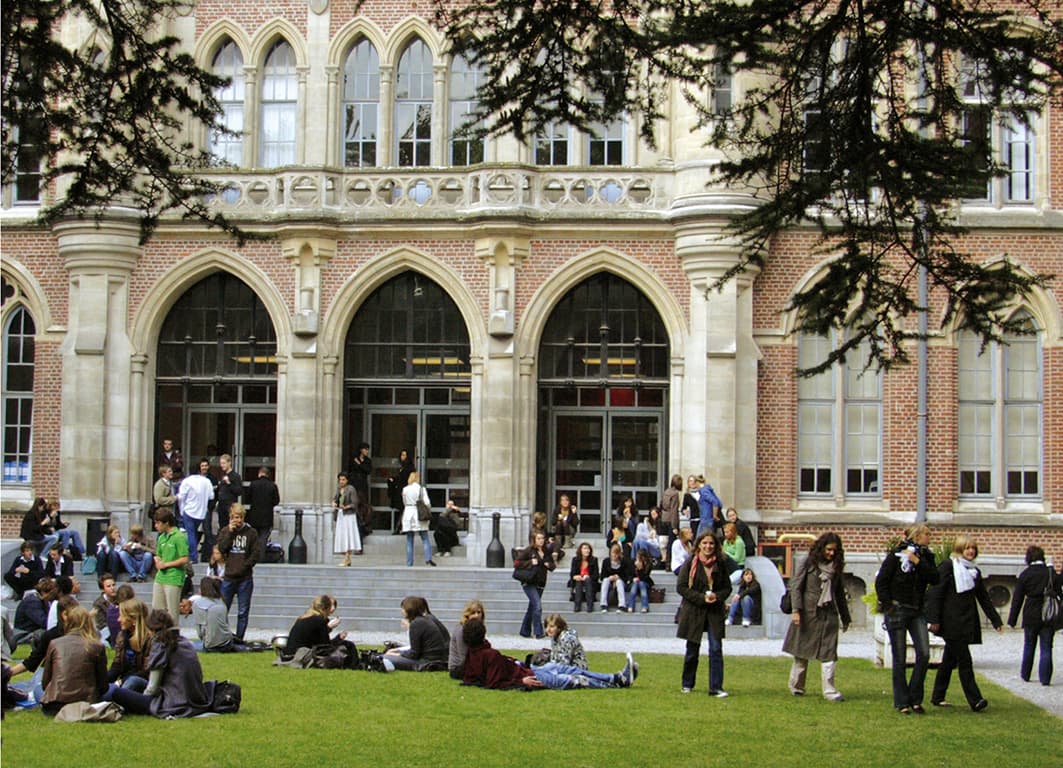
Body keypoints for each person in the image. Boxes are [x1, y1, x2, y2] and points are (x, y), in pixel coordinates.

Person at [926, 536, 1003, 711]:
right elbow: (936, 593)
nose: (970, 551)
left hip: (966, 620)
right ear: (960, 550)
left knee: (949, 661)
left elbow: (983, 598)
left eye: (973, 548)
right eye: (967, 548)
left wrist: (995, 620)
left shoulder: (974, 571)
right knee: (965, 661)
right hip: (951, 622)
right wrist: (934, 619)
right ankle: (975, 700)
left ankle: (937, 696)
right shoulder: (948, 566)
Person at [461, 618, 637, 690]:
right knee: (574, 680)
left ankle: (616, 677)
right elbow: (493, 682)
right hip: (530, 676)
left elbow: (471, 677)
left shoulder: (475, 653)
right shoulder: (487, 654)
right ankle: (616, 684)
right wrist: (519, 682)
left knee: (570, 670)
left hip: (528, 669)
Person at [874, 523, 940, 714]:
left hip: (917, 610)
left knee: (924, 653)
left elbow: (934, 578)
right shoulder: (896, 556)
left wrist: (918, 562)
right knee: (900, 657)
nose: (930, 538)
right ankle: (902, 701)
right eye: (927, 535)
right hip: (898, 609)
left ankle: (915, 697)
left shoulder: (926, 557)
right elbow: (882, 582)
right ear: (917, 536)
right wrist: (888, 605)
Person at [105, 609, 212, 718]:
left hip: (173, 703)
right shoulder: (185, 642)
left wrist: (140, 701)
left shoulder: (161, 644)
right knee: (134, 681)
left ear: (152, 629)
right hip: (193, 699)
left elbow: (152, 688)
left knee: (117, 693)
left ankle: (99, 702)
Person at [783, 532, 851, 701]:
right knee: (801, 651)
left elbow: (839, 593)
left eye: (835, 550)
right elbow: (796, 587)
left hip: (828, 614)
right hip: (808, 612)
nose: (831, 553)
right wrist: (796, 611)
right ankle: (797, 686)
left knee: (829, 652)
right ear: (821, 548)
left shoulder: (836, 566)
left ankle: (829, 691)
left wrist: (845, 617)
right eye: (829, 550)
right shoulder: (807, 561)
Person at [676, 532, 732, 696]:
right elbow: (681, 587)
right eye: (705, 543)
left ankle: (716, 687)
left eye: (711, 544)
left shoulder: (720, 564)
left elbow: (727, 588)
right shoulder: (690, 563)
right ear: (699, 544)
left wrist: (717, 597)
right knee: (692, 649)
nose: (708, 547)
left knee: (716, 648)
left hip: (714, 611)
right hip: (694, 610)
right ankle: (687, 683)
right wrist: (701, 598)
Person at [1007, 545, 1062, 686]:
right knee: (1046, 647)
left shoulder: (1025, 574)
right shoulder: (1050, 573)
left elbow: (1017, 599)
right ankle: (1045, 678)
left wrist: (1012, 620)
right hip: (1048, 613)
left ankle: (1025, 674)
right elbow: (1059, 592)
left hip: (1031, 612)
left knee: (1029, 645)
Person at [40, 604, 107, 716]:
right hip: (86, 701)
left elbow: (45, 681)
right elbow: (103, 684)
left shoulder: (55, 643)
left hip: (55, 703)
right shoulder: (96, 646)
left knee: (37, 689)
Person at [216, 503, 258, 642]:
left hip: (245, 577)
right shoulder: (224, 531)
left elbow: (255, 553)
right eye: (235, 517)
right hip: (229, 576)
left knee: (243, 611)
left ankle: (239, 637)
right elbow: (222, 549)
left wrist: (245, 566)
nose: (238, 520)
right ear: (230, 517)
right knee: (223, 609)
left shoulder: (251, 533)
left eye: (240, 517)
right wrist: (230, 532)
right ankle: (223, 636)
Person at [383, 596, 450, 671]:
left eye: (403, 608)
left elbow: (414, 654)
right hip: (435, 659)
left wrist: (398, 654)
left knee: (384, 658)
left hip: (427, 661)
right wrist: (399, 652)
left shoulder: (416, 623)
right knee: (389, 655)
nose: (401, 611)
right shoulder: (424, 620)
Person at [282, 595, 351, 661]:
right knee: (348, 645)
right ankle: (357, 666)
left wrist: (334, 634)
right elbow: (325, 646)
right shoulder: (319, 620)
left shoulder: (304, 618)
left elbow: (316, 639)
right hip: (302, 656)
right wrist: (337, 639)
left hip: (290, 655)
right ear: (326, 608)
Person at [152, 509, 190, 621]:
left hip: (174, 577)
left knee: (172, 612)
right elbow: (158, 554)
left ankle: (173, 636)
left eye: (158, 523)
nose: (156, 526)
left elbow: (184, 558)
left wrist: (167, 564)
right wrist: (157, 561)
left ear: (166, 523)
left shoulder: (179, 537)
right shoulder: (161, 537)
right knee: (157, 609)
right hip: (160, 577)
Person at [516, 530, 555, 638]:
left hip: (540, 582)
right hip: (528, 581)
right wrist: (530, 563)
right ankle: (538, 632)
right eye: (539, 538)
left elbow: (553, 565)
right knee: (537, 606)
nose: (541, 541)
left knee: (532, 607)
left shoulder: (546, 551)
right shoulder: (529, 551)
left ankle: (525, 631)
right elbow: (517, 563)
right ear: (534, 539)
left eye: (542, 538)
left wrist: (548, 565)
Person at [108, 599, 152, 691]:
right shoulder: (122, 636)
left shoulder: (150, 639)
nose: (118, 620)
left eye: (122, 616)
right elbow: (117, 664)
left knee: (132, 681)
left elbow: (147, 671)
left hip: (143, 683)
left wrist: (121, 682)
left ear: (133, 620)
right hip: (124, 682)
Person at [176, 461, 213, 563]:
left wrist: (181, 509)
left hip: (189, 511)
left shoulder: (187, 481)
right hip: (202, 512)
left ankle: (193, 557)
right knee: (196, 533)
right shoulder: (206, 481)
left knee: (191, 534)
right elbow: (211, 496)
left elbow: (181, 496)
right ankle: (195, 554)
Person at [190, 577, 238, 652]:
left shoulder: (198, 603)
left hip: (210, 645)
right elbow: (226, 623)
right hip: (227, 642)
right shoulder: (221, 601)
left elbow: (199, 630)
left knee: (188, 645)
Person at [401, 470, 435, 567]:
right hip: (419, 514)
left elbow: (404, 502)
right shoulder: (421, 489)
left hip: (408, 513)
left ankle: (409, 562)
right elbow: (427, 503)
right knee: (425, 538)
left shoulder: (405, 489)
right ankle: (428, 559)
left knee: (409, 539)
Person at [12, 578, 57, 649]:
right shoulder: (33, 601)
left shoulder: (40, 600)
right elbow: (44, 622)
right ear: (45, 592)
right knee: (47, 634)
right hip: (22, 635)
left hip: (30, 631)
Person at [246, 466, 280, 559]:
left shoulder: (253, 484)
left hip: (254, 515)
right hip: (267, 515)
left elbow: (247, 498)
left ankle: (253, 556)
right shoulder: (272, 485)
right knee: (263, 537)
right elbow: (276, 501)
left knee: (254, 537)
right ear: (268, 475)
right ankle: (261, 557)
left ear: (259, 474)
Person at [449, 600, 485, 680]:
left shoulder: (478, 628)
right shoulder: (461, 630)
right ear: (467, 615)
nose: (476, 615)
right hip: (458, 668)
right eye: (473, 613)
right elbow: (463, 657)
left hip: (473, 662)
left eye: (479, 612)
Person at [333, 471, 361, 566]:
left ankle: (347, 557)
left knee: (348, 535)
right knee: (342, 535)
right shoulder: (338, 489)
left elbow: (355, 502)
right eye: (340, 479)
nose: (341, 481)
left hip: (348, 515)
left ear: (347, 480)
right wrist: (334, 503)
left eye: (343, 479)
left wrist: (346, 507)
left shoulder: (351, 489)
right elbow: (336, 499)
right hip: (341, 514)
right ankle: (347, 557)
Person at [599, 543, 633, 613]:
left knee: (619, 582)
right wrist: (610, 578)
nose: (614, 555)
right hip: (609, 582)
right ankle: (603, 604)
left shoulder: (623, 562)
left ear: (619, 554)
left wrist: (618, 577)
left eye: (616, 553)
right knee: (605, 580)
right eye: (613, 553)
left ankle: (622, 605)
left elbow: (627, 577)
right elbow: (602, 576)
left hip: (621, 582)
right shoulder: (606, 561)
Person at [568, 542, 599, 613]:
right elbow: (572, 573)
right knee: (578, 582)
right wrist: (575, 576)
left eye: (588, 549)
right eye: (585, 548)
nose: (587, 550)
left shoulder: (594, 560)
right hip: (578, 581)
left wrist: (588, 576)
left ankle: (590, 605)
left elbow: (596, 575)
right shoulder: (575, 560)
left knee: (587, 580)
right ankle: (577, 605)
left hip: (590, 582)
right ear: (580, 550)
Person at [388, 448, 415, 529]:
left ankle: (400, 527)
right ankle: (400, 527)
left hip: (405, 491)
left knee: (404, 509)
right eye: (401, 455)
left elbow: (407, 479)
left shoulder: (410, 468)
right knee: (402, 509)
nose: (402, 457)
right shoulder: (402, 467)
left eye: (404, 455)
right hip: (400, 490)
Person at [215, 453, 242, 532]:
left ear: (229, 463)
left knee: (231, 526)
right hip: (221, 506)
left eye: (223, 463)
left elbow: (239, 491)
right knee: (222, 526)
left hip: (230, 506)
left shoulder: (235, 476)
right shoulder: (223, 476)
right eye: (221, 463)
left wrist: (229, 483)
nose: (222, 465)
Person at [660, 475, 683, 567]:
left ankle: (664, 561)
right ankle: (669, 563)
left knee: (664, 542)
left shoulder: (666, 492)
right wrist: (675, 526)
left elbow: (661, 504)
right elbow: (674, 510)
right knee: (671, 543)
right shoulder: (675, 494)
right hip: (671, 520)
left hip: (664, 518)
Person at [89, 572, 118, 645]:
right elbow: (101, 624)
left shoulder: (120, 598)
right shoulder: (98, 603)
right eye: (108, 586)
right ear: (102, 589)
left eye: (113, 585)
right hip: (106, 630)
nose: (112, 588)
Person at [721, 522, 747, 589]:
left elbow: (737, 558)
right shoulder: (725, 542)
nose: (725, 534)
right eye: (724, 532)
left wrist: (726, 553)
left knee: (725, 556)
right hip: (728, 567)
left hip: (738, 566)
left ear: (732, 532)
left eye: (727, 532)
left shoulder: (739, 542)